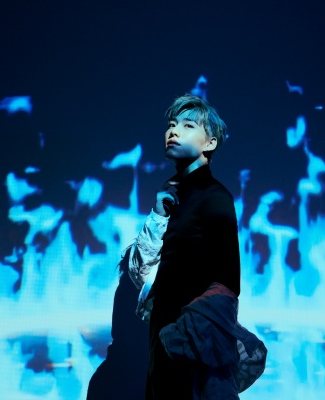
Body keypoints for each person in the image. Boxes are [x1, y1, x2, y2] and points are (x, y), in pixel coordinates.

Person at [127, 94, 266, 399]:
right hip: (164, 336)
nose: (173, 131)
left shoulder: (215, 197)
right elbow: (144, 273)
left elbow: (228, 282)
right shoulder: (169, 197)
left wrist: (181, 335)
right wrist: (158, 215)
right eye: (171, 124)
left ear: (210, 143)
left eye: (188, 126)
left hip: (190, 342)